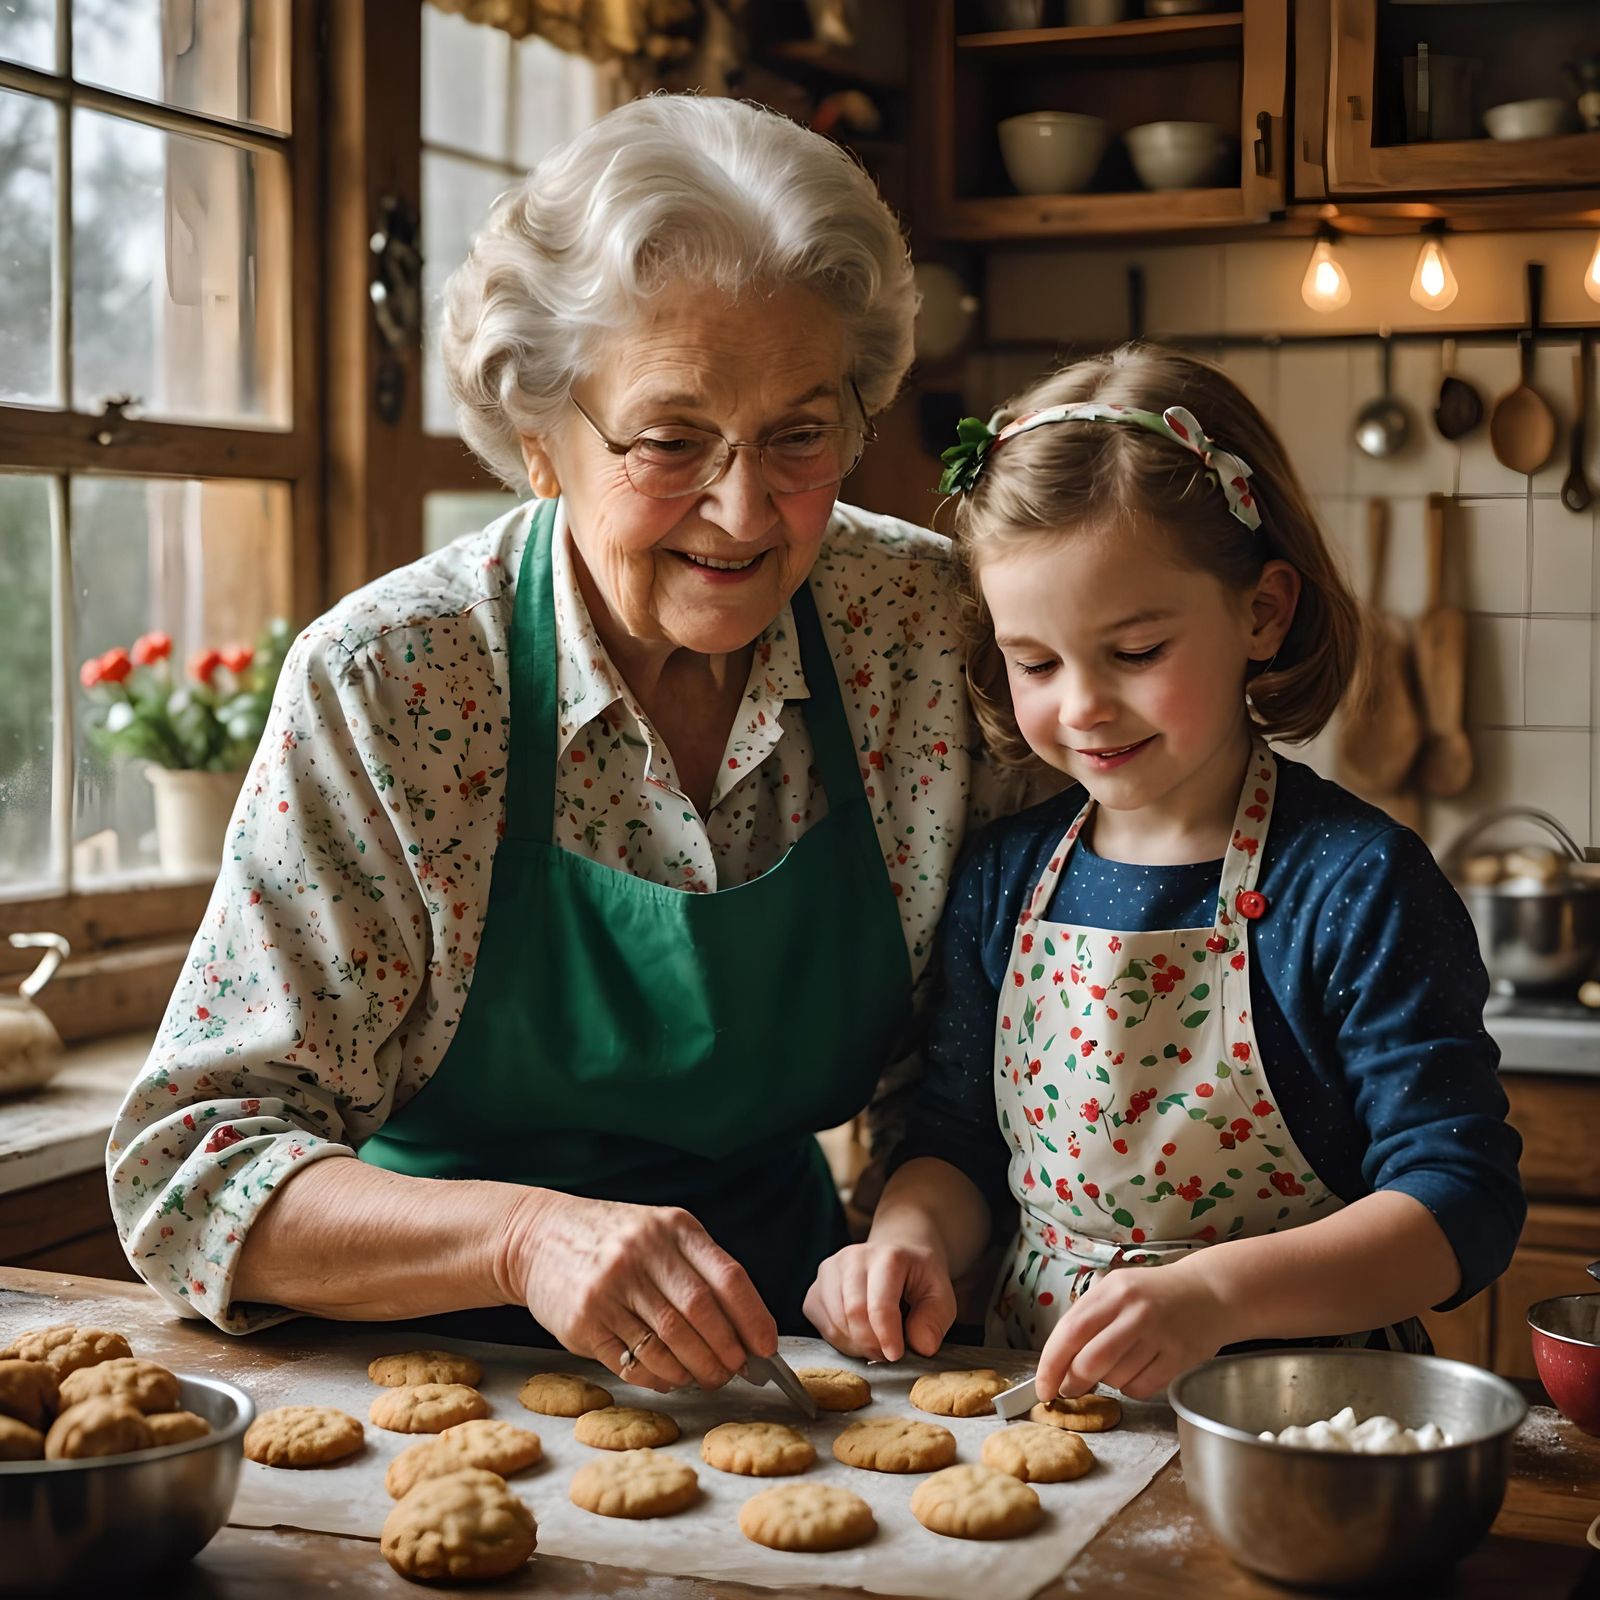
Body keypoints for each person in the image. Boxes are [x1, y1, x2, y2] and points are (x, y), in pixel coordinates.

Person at [106, 94, 1030, 1392]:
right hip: (429, 1370)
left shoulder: (924, 636)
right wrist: (525, 1238)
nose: (744, 507)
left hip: (800, 1352)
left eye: (800, 434)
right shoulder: (394, 684)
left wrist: (912, 1235)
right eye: (671, 439)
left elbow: (986, 1066)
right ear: (541, 436)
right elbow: (188, 1169)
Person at [804, 345, 1525, 1402]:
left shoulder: (1353, 883)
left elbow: (1459, 1201)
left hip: (1292, 1424)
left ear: (1262, 614)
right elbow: (954, 1136)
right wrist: (908, 1234)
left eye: (1134, 651)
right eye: (1036, 662)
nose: (1083, 704)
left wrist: (1214, 1297)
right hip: (1037, 1407)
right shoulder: (1007, 874)